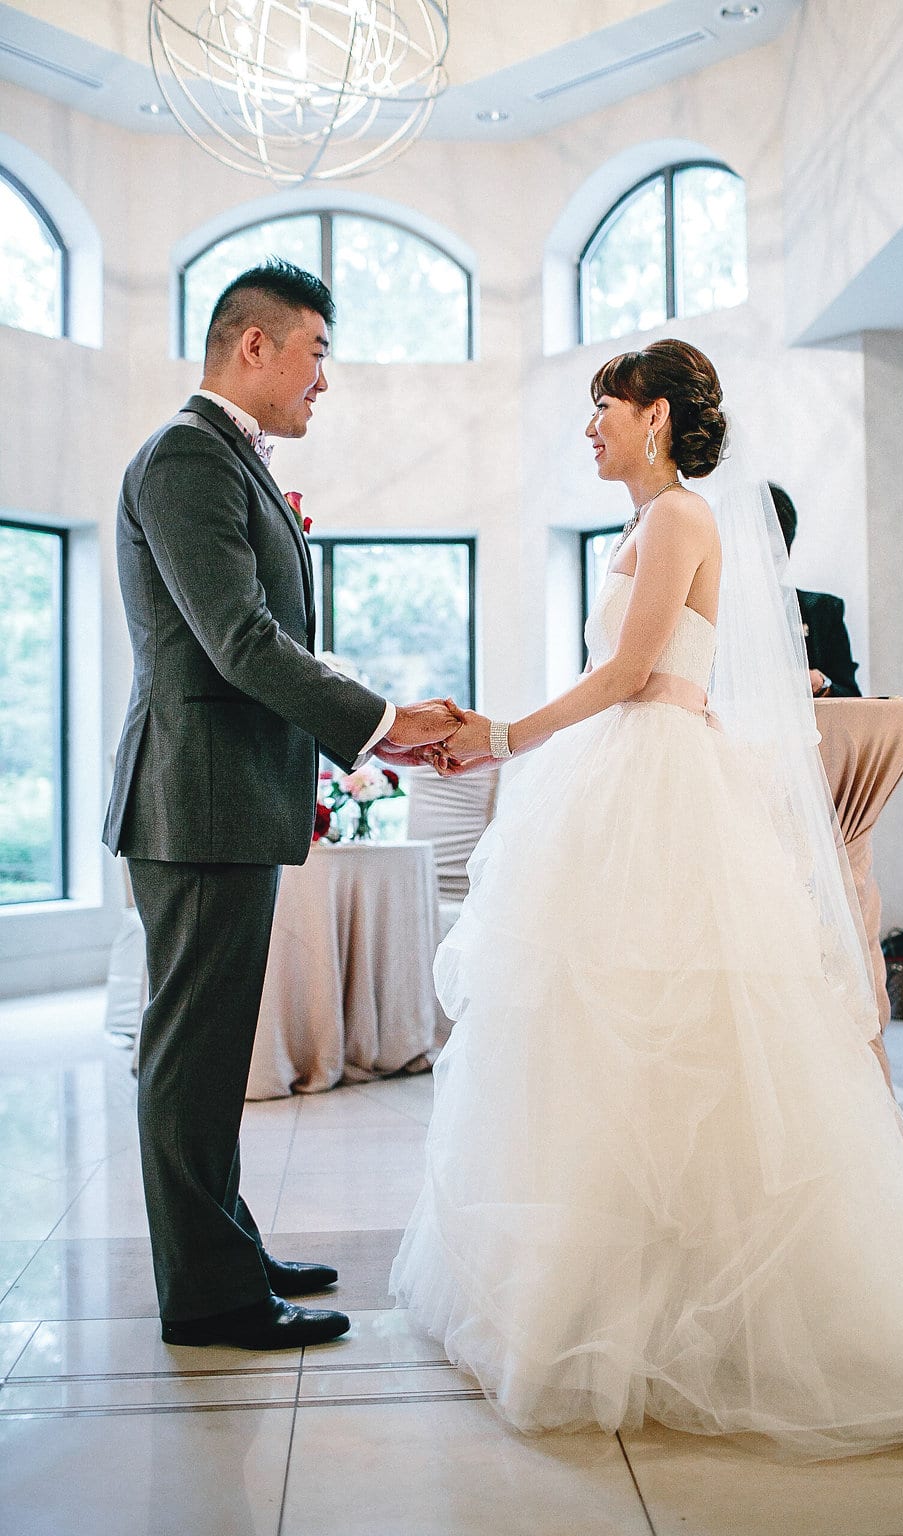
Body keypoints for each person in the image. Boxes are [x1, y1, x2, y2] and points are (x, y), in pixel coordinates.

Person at [390, 339, 903, 1456]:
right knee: (601, 1041)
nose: (589, 429)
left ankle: (706, 1303)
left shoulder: (682, 518)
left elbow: (635, 675)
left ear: (656, 421)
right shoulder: (646, 526)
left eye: (604, 409)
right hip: (626, 777)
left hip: (656, 780)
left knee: (680, 1034)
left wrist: (500, 737)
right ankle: (612, 1280)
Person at [103, 260, 460, 1352]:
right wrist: (380, 721)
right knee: (191, 1055)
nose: (324, 381)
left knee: (208, 1053)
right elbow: (241, 640)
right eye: (316, 352)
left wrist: (367, 719)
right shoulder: (184, 458)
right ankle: (209, 1295)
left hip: (222, 795)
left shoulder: (224, 461)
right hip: (193, 799)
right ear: (251, 347)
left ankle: (228, 1247)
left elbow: (262, 643)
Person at [769, 483, 861, 697]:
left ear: (788, 553)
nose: (767, 570)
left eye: (776, 558)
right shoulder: (716, 612)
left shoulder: (823, 610)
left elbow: (852, 695)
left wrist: (822, 683)